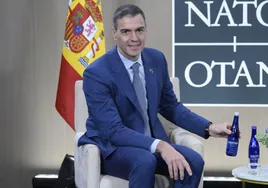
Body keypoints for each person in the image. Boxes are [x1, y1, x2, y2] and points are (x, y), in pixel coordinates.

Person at [78, 4, 232, 188]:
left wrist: (208, 127)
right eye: (126, 31)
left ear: (146, 31)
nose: (134, 38)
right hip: (113, 148)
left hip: (151, 145)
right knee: (144, 161)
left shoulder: (156, 59)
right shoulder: (96, 73)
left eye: (139, 30)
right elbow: (113, 130)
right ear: (114, 33)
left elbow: (170, 106)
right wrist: (161, 146)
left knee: (194, 161)